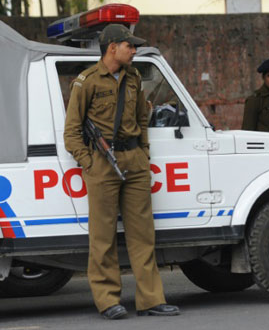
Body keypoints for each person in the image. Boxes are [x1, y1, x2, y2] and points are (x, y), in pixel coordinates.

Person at [63, 24, 180, 320]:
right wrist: (89, 163)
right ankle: (107, 300)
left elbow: (142, 117)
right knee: (103, 237)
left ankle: (150, 300)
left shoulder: (134, 77)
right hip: (102, 162)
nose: (134, 50)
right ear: (112, 47)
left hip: (134, 160)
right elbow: (72, 132)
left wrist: (144, 153)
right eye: (130, 45)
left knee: (143, 235)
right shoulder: (86, 81)